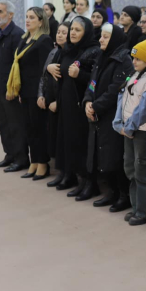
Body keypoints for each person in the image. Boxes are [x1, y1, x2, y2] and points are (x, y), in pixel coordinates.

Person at [84, 23, 133, 211]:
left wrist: (96, 106)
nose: (100, 39)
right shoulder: (102, 56)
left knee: (114, 156)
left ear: (113, 39)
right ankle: (111, 192)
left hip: (112, 115)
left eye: (105, 37)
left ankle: (123, 195)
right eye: (101, 36)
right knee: (101, 155)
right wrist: (88, 100)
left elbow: (116, 89)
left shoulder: (124, 60)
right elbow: (92, 82)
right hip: (97, 113)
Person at [114, 38, 146, 223]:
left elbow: (144, 109)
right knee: (131, 169)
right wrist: (119, 123)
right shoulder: (135, 75)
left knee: (143, 171)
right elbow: (122, 97)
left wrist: (130, 127)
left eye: (139, 59)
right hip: (128, 129)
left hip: (141, 131)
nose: (134, 62)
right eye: (133, 58)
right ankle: (136, 207)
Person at [54, 16, 101, 199]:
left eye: (77, 30)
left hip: (83, 104)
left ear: (86, 32)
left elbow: (96, 80)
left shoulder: (93, 51)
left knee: (82, 144)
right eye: (71, 29)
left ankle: (90, 183)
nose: (72, 33)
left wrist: (80, 74)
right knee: (69, 141)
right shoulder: (69, 50)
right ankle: (73, 176)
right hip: (67, 103)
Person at [9, 7, 55, 179]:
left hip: (37, 92)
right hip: (25, 91)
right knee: (29, 128)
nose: (27, 20)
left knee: (39, 128)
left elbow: (45, 71)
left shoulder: (44, 40)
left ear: (41, 21)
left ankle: (43, 163)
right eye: (26, 17)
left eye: (32, 18)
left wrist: (42, 94)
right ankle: (34, 161)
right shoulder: (24, 39)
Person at [0, 1, 26, 170]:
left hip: (10, 88)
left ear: (10, 15)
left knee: (15, 124)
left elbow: (18, 67)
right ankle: (9, 155)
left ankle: (21, 158)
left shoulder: (17, 34)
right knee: (3, 123)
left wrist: (16, 89)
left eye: (0, 11)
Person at [42, 22, 70, 188]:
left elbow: (65, 83)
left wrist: (56, 102)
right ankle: (61, 172)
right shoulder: (56, 52)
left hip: (62, 103)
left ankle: (68, 174)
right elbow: (45, 76)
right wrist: (45, 97)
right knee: (56, 140)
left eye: (64, 32)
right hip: (52, 101)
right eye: (58, 32)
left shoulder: (69, 54)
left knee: (64, 141)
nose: (59, 35)